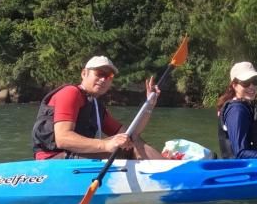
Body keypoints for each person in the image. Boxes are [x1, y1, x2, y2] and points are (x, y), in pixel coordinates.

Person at [32, 55, 162, 160]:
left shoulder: (95, 106)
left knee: (131, 141)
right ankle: (171, 175)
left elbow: (131, 133)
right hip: (53, 160)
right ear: (84, 73)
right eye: (99, 73)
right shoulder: (70, 93)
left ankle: (169, 168)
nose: (103, 79)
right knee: (129, 149)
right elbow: (62, 139)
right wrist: (106, 145)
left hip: (74, 157)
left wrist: (149, 105)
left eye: (109, 76)